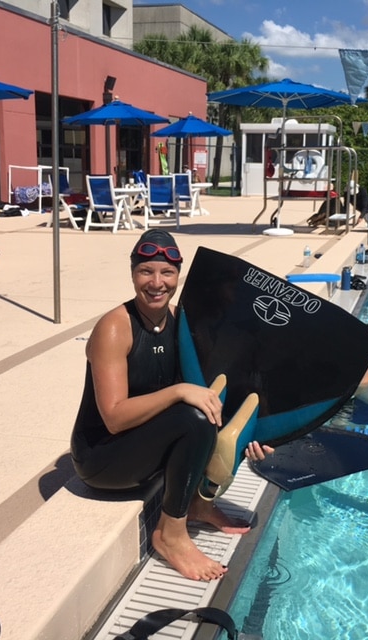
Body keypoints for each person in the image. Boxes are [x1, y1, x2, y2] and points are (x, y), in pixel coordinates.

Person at [71, 229, 274, 582]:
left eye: (166, 273)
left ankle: (198, 503)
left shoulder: (181, 323)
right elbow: (115, 418)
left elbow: (217, 394)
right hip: (103, 460)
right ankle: (171, 536)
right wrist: (178, 391)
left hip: (144, 448)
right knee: (194, 414)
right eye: (145, 272)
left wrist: (253, 435)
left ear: (178, 277)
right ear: (132, 274)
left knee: (215, 408)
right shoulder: (115, 328)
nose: (156, 283)